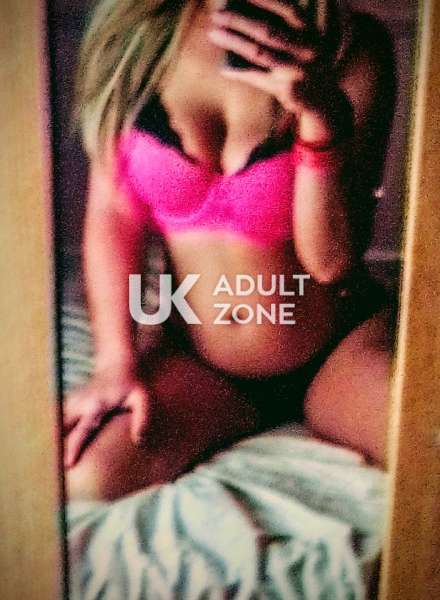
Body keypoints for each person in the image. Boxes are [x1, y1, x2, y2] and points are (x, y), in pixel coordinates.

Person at [65, 0, 397, 501]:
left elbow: (330, 263)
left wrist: (319, 118)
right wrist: (114, 360)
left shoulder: (350, 45)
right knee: (84, 475)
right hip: (201, 360)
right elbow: (113, 214)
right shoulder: (134, 35)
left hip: (336, 347)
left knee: (429, 450)